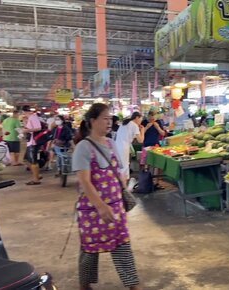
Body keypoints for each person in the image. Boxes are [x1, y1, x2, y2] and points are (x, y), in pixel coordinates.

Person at [72, 103, 141, 290]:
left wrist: (123, 190)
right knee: (89, 250)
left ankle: (133, 284)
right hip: (92, 210)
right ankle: (84, 285)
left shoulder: (110, 143)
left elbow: (117, 171)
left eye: (110, 118)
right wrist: (101, 206)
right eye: (105, 118)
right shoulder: (83, 148)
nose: (109, 122)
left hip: (116, 206)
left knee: (122, 246)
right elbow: (85, 182)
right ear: (92, 121)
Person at [141, 110, 166, 190]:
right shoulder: (144, 122)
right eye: (150, 116)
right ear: (148, 116)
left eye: (154, 116)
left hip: (156, 145)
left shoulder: (158, 122)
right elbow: (140, 134)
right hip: (146, 146)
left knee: (157, 165)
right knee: (146, 164)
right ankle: (145, 182)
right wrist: (147, 127)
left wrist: (158, 127)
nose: (152, 118)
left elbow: (163, 134)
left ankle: (156, 183)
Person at [115, 112, 145, 179]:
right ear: (137, 117)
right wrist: (142, 130)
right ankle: (124, 185)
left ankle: (121, 182)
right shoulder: (134, 125)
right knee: (124, 166)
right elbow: (140, 140)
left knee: (120, 166)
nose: (140, 122)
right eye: (140, 120)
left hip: (117, 146)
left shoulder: (125, 123)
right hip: (124, 148)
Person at [22, 105, 42, 185]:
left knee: (33, 161)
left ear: (24, 111)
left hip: (33, 142)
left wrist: (27, 130)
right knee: (26, 159)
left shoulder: (33, 117)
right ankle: (37, 175)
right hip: (30, 141)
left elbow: (38, 128)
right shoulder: (30, 118)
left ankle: (36, 179)